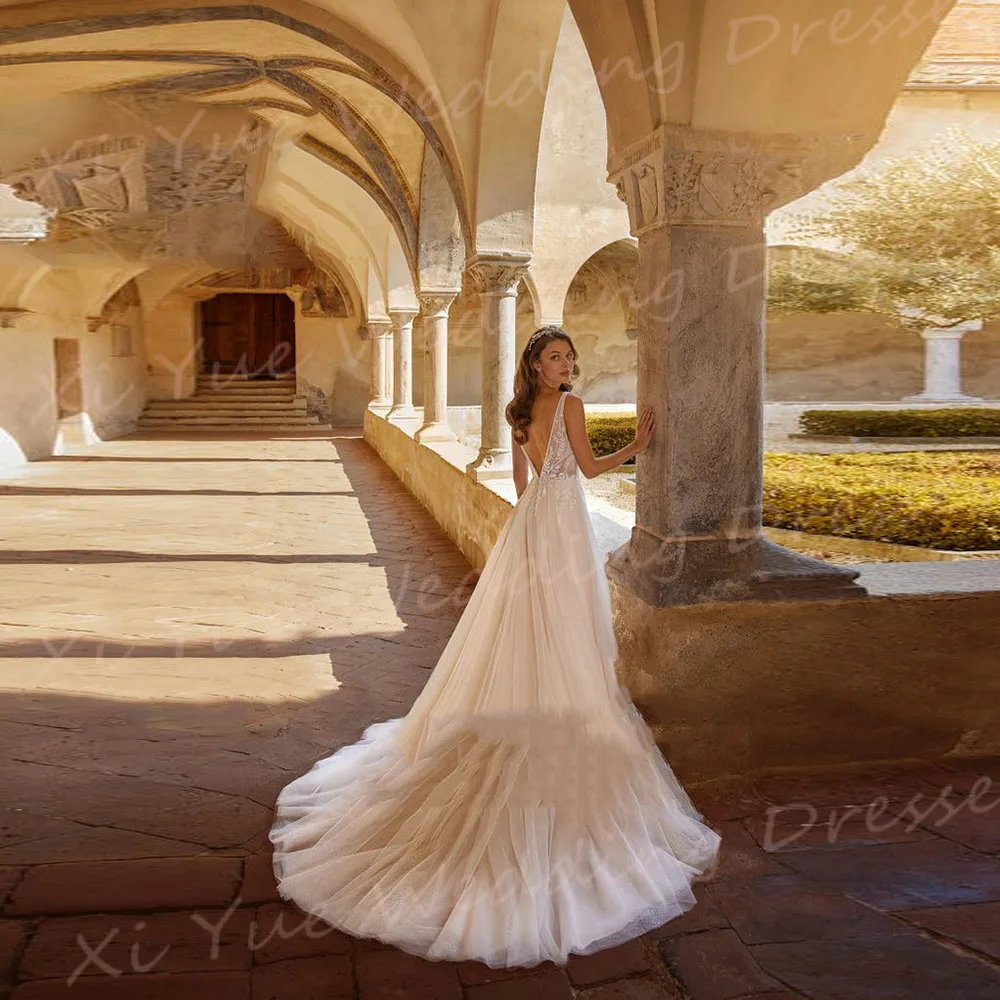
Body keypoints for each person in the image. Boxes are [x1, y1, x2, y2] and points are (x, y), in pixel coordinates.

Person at [269, 325, 722, 968]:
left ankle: (533, 698)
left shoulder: (517, 411)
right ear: (537, 365)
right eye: (553, 357)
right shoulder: (569, 405)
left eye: (568, 356)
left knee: (526, 619)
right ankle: (561, 706)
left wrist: (538, 518)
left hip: (533, 520)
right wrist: (639, 446)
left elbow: (520, 482)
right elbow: (587, 470)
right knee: (568, 624)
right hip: (562, 518)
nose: (564, 364)